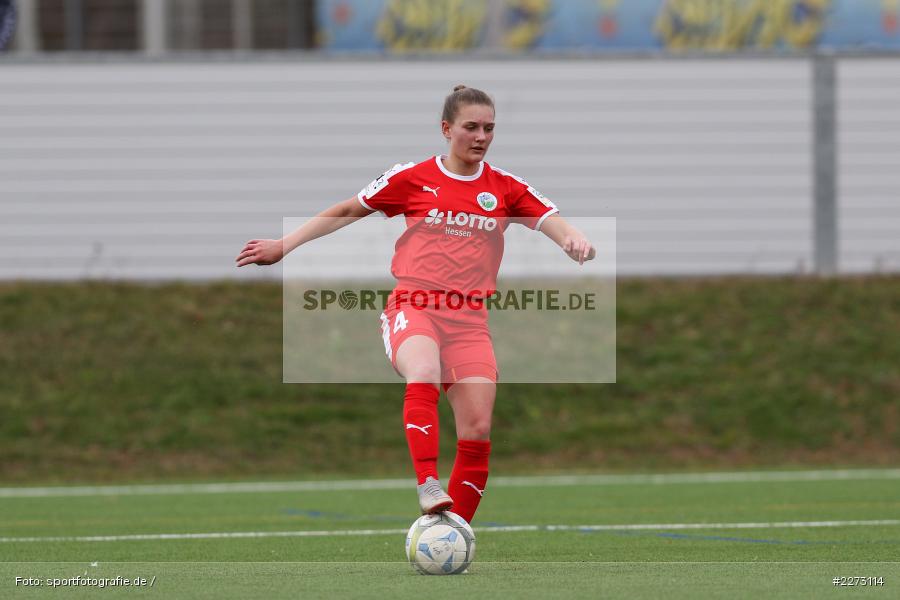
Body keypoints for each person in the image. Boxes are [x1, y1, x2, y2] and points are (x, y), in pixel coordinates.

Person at [236, 85, 595, 524]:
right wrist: (284, 244)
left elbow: (551, 220)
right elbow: (349, 210)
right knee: (423, 370)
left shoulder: (504, 187)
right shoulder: (412, 177)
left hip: (470, 321)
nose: (481, 137)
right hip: (415, 306)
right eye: (471, 127)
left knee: (478, 427)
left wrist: (573, 239)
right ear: (446, 129)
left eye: (489, 128)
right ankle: (427, 482)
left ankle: (453, 533)